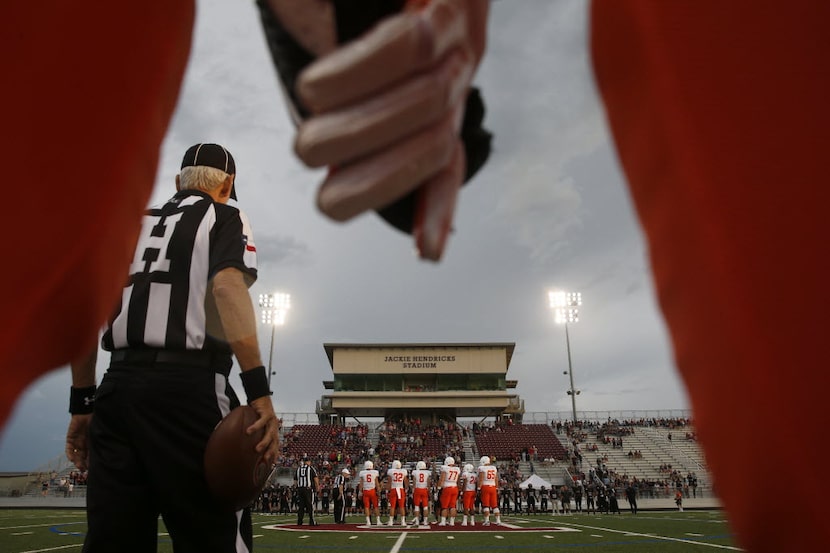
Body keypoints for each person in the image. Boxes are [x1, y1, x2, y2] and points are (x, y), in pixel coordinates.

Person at [64, 143, 280, 552]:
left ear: (177, 182)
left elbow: (81, 310)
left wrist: (82, 402)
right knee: (212, 540)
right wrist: (259, 392)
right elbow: (226, 287)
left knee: (113, 542)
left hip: (118, 389)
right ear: (227, 184)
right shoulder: (226, 214)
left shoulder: (126, 223)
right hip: (190, 389)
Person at [296, 456, 320, 526]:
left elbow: (295, 480)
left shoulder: (299, 469)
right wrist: (317, 487)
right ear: (308, 462)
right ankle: (312, 521)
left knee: (301, 506)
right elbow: (315, 478)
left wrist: (297, 487)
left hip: (300, 489)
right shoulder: (311, 468)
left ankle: (299, 521)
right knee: (310, 505)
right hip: (308, 489)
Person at [476, 456, 500, 525]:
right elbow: (496, 479)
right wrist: (497, 488)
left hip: (485, 487)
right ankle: (498, 520)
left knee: (486, 505)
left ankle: (487, 520)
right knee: (494, 505)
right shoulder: (493, 468)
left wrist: (478, 488)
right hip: (493, 487)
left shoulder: (482, 468)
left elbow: (481, 479)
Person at [437, 456, 460, 526]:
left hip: (447, 488)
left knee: (444, 506)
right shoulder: (457, 469)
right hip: (455, 488)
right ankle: (452, 522)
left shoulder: (445, 469)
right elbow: (458, 480)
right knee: (453, 506)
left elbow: (442, 479)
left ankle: (443, 522)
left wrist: (439, 487)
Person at [386, 459, 409, 526]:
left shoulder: (391, 471)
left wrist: (387, 490)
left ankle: (391, 521)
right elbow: (406, 482)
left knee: (392, 506)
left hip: (393, 489)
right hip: (400, 489)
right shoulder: (403, 471)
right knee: (401, 506)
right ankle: (403, 521)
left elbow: (389, 482)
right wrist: (406, 489)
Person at [358, 460, 381, 526]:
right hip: (372, 491)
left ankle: (368, 521)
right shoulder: (375, 472)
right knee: (376, 506)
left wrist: (360, 492)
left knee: (367, 507)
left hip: (365, 491)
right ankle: (378, 521)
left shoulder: (363, 473)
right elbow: (377, 483)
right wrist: (379, 490)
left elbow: (361, 484)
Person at [410, 460, 432, 527]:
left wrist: (413, 490)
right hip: (424, 489)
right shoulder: (427, 473)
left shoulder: (415, 472)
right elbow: (428, 483)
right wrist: (429, 490)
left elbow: (414, 482)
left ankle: (417, 521)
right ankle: (425, 521)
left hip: (417, 489)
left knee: (416, 506)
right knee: (425, 506)